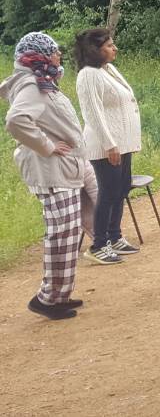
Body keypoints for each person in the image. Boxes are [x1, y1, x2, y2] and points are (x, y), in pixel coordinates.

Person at [3, 32, 98, 318]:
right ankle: (47, 299)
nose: (59, 54)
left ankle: (59, 295)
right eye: (54, 51)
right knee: (60, 235)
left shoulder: (42, 80)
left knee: (67, 234)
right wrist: (47, 146)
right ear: (40, 56)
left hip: (61, 170)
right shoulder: (32, 84)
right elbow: (16, 120)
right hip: (51, 172)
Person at [75, 27, 144, 264]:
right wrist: (110, 144)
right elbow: (92, 113)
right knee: (108, 192)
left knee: (121, 189)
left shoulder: (108, 69)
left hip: (122, 144)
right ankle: (98, 244)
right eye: (109, 45)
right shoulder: (88, 75)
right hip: (106, 146)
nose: (114, 48)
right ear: (95, 50)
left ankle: (115, 236)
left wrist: (125, 142)